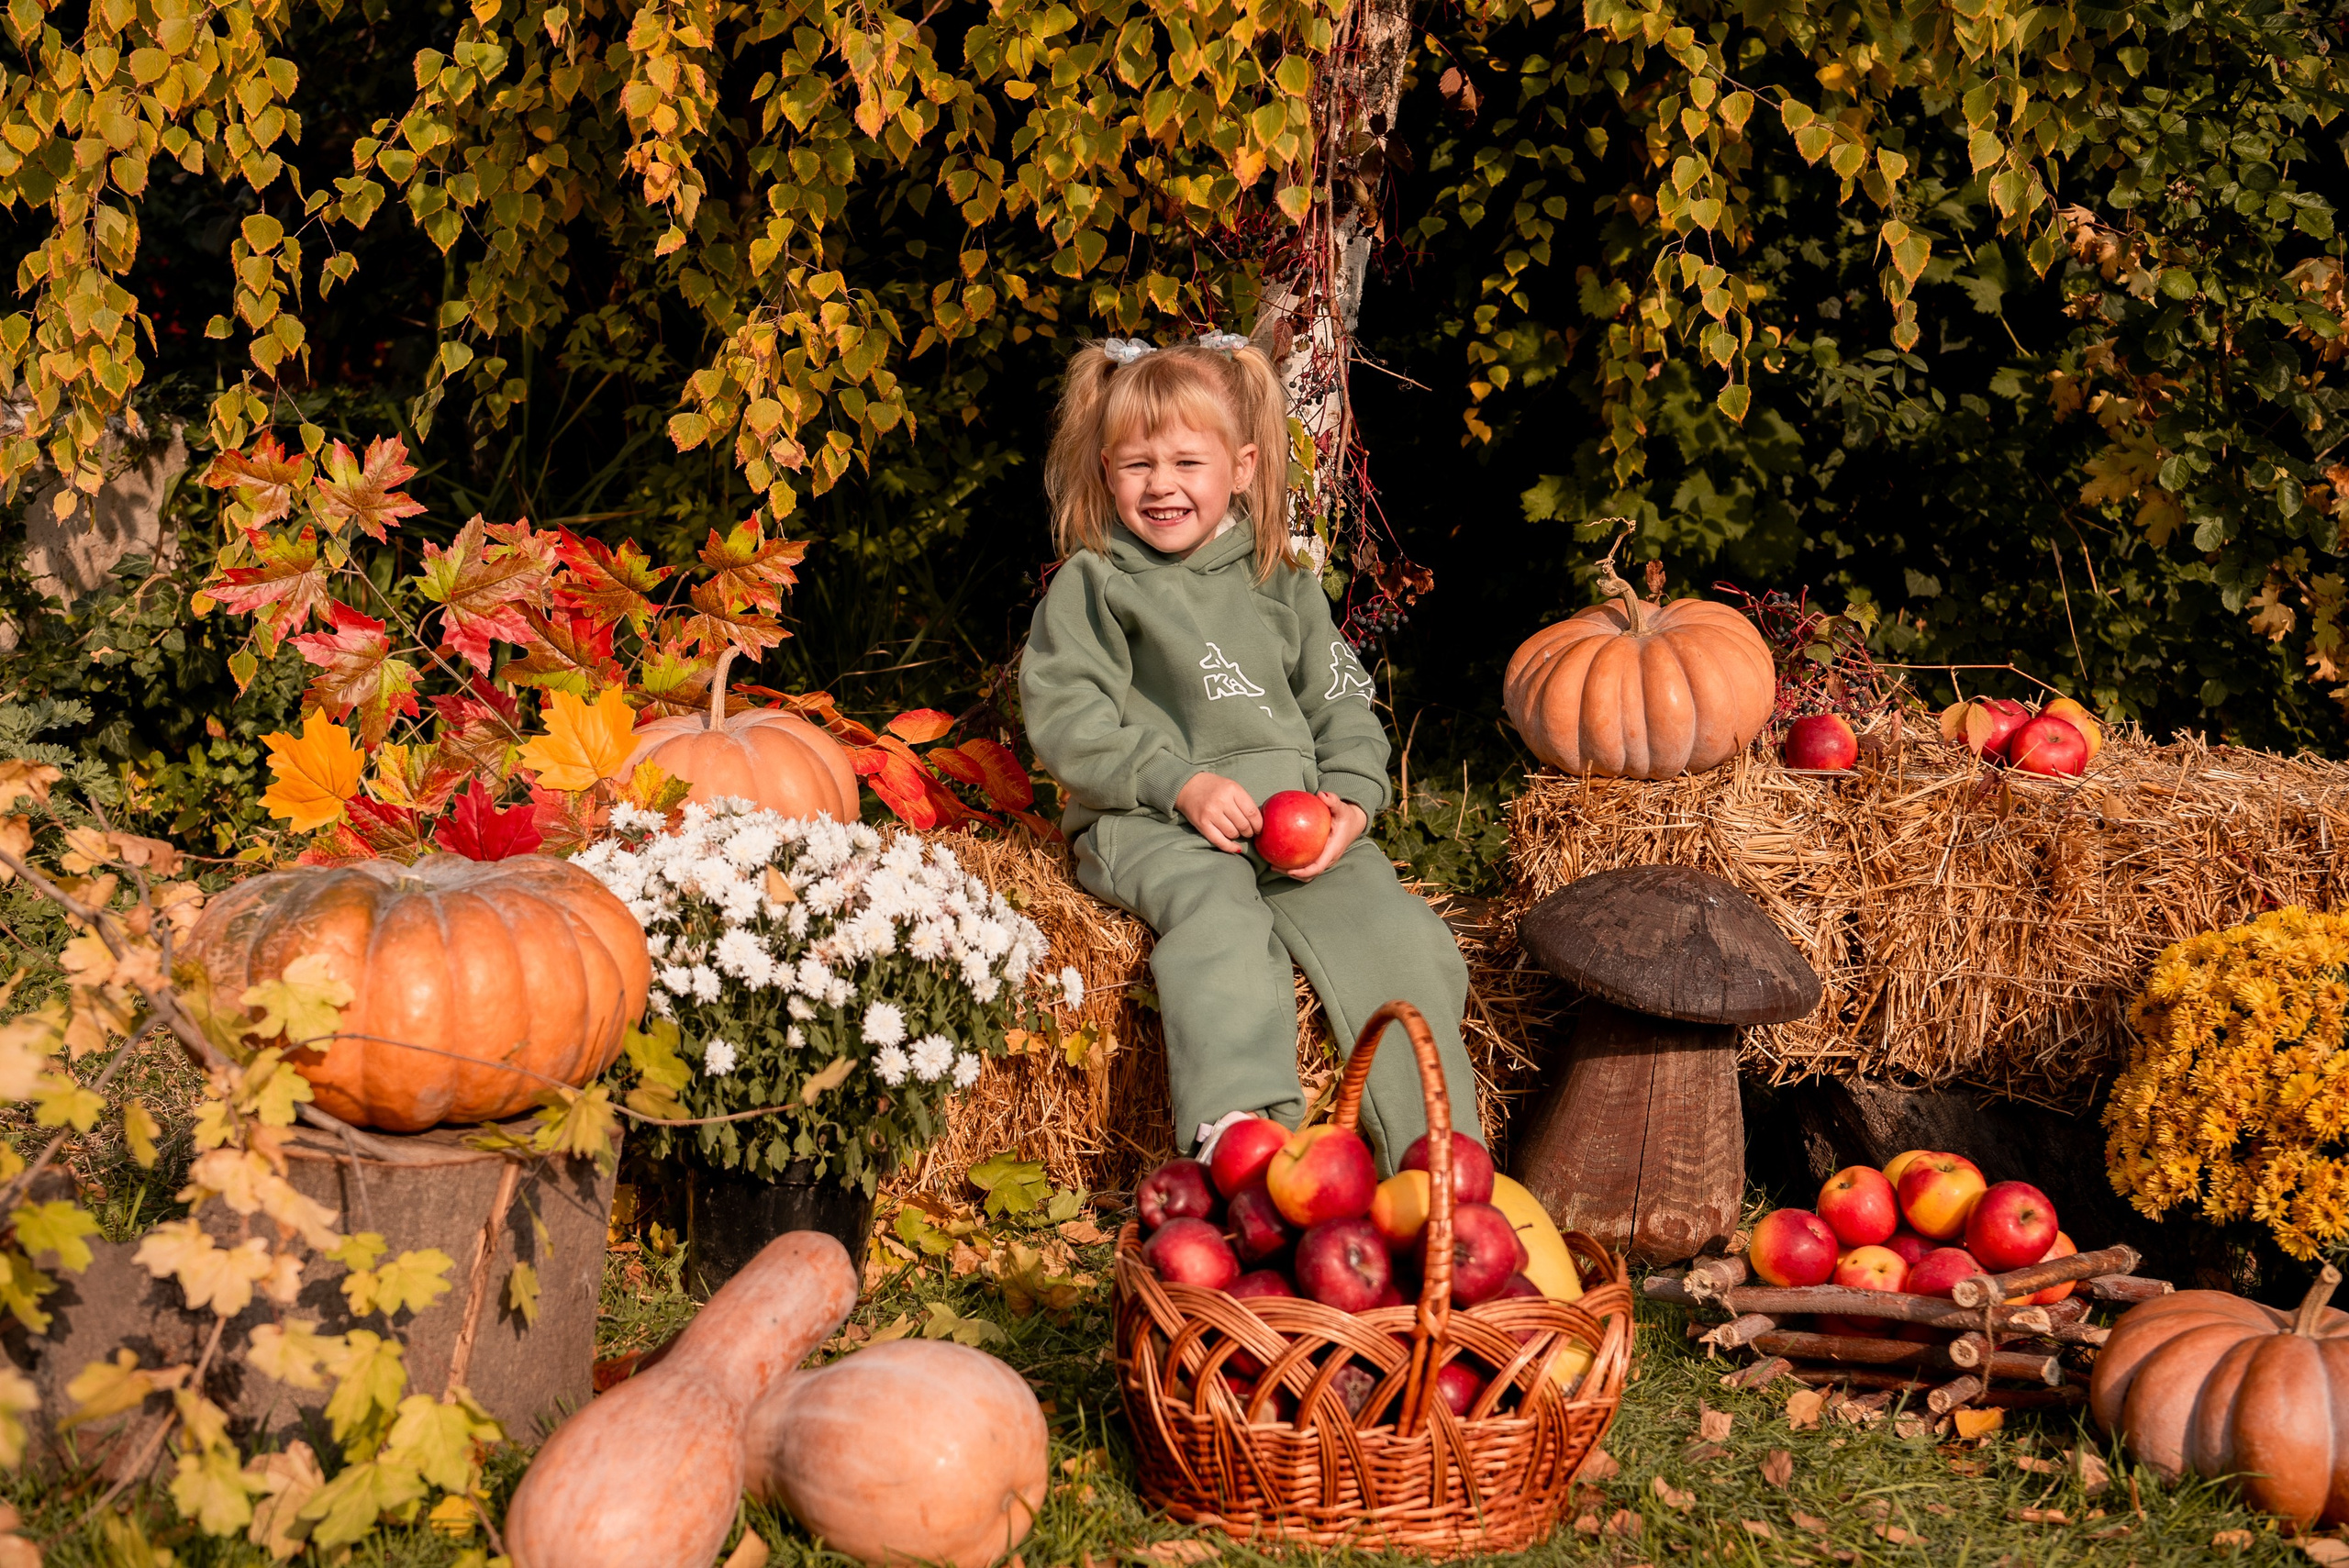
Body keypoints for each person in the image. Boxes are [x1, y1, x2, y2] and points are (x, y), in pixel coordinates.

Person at [1019, 330, 1484, 1173]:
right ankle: (1241, 1137)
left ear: (1241, 466)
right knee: (1221, 925)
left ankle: (1437, 1156)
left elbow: (1343, 705)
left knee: (1404, 934)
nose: (1162, 486)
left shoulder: (1282, 581)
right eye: (1136, 466)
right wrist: (1178, 784)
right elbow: (1069, 720)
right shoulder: (1096, 584)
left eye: (1187, 464)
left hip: (1295, 828)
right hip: (1153, 822)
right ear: (1103, 471)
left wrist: (1349, 798)